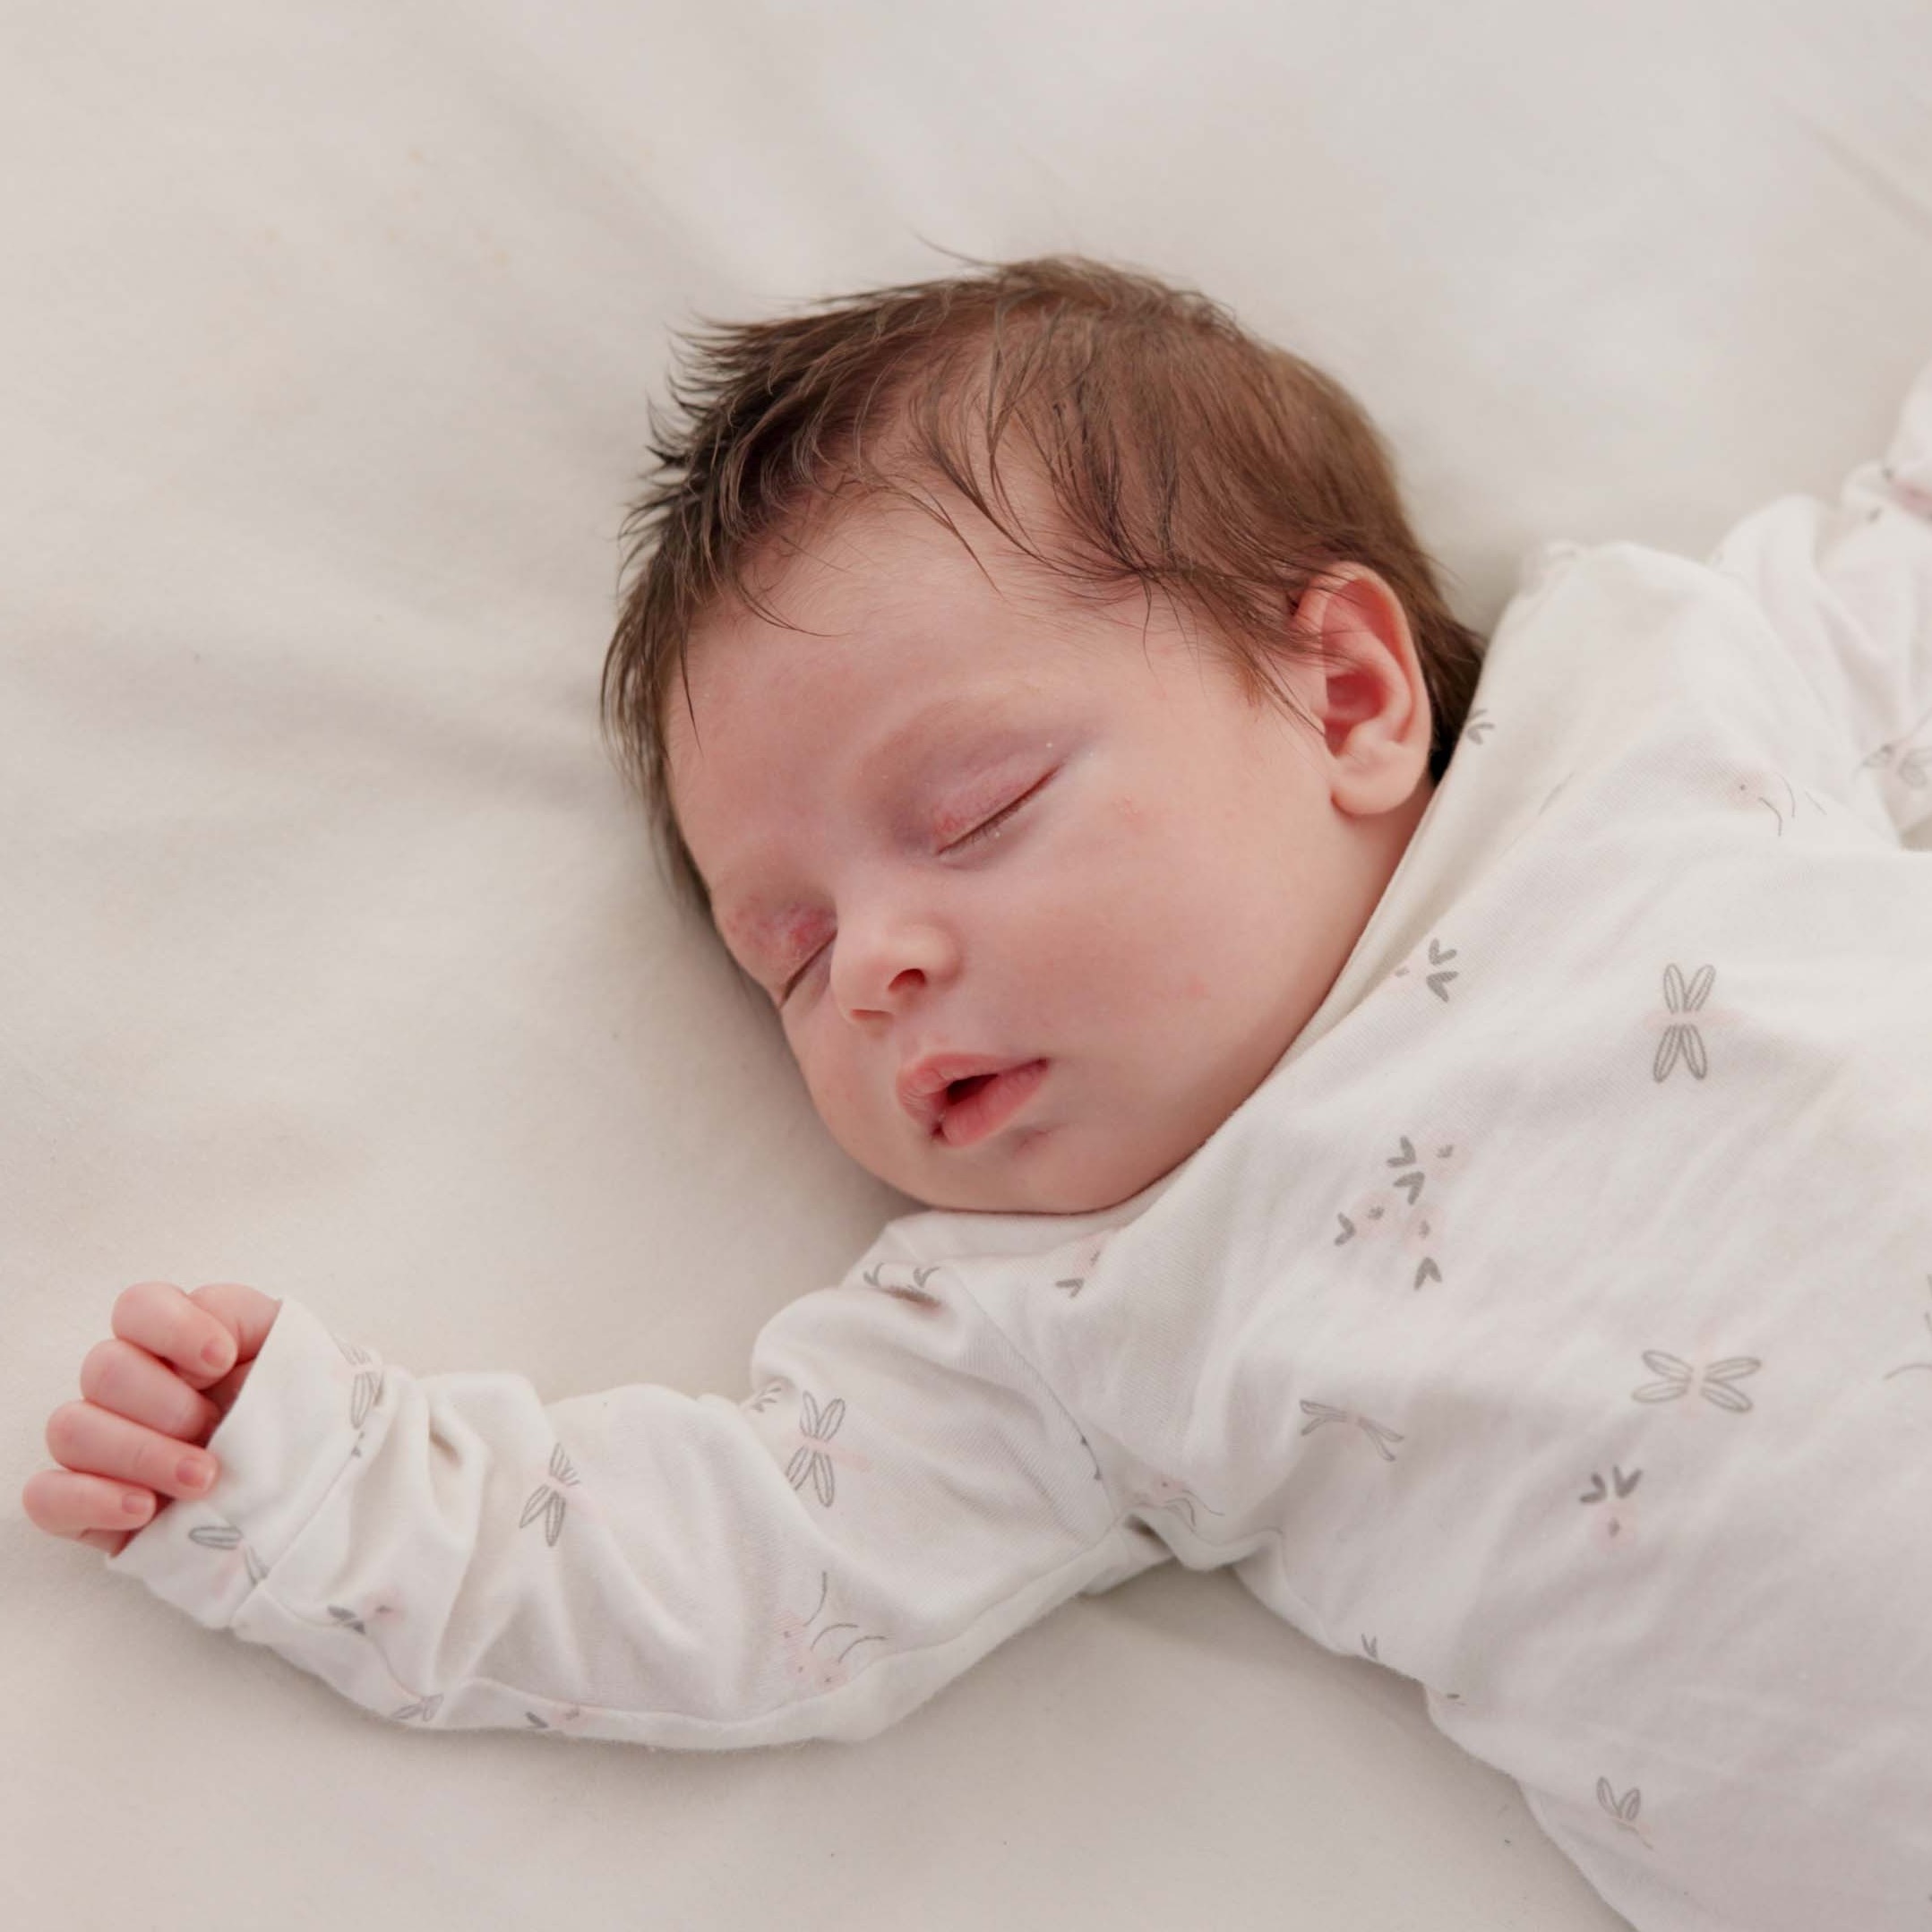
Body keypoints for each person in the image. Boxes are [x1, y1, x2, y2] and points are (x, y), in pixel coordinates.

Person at [24, 255, 1932, 1932]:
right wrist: (320, 1485)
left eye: (973, 813)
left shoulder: (1658, 710)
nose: (869, 963)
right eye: (784, 950)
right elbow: (720, 1567)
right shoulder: (1055, 1313)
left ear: (1343, 695)